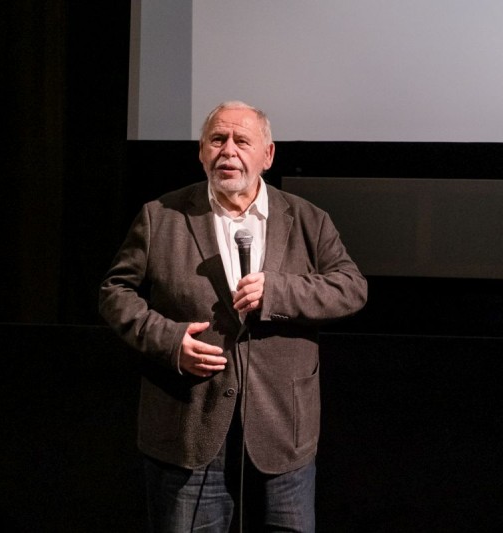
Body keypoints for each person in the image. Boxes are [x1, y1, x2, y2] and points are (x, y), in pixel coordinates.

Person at [99, 100, 368, 532]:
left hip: (283, 426)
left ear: (268, 154)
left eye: (242, 141)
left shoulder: (308, 219)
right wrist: (169, 342)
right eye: (217, 139)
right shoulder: (160, 216)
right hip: (188, 422)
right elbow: (116, 292)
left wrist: (278, 290)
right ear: (202, 151)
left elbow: (352, 289)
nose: (228, 151)